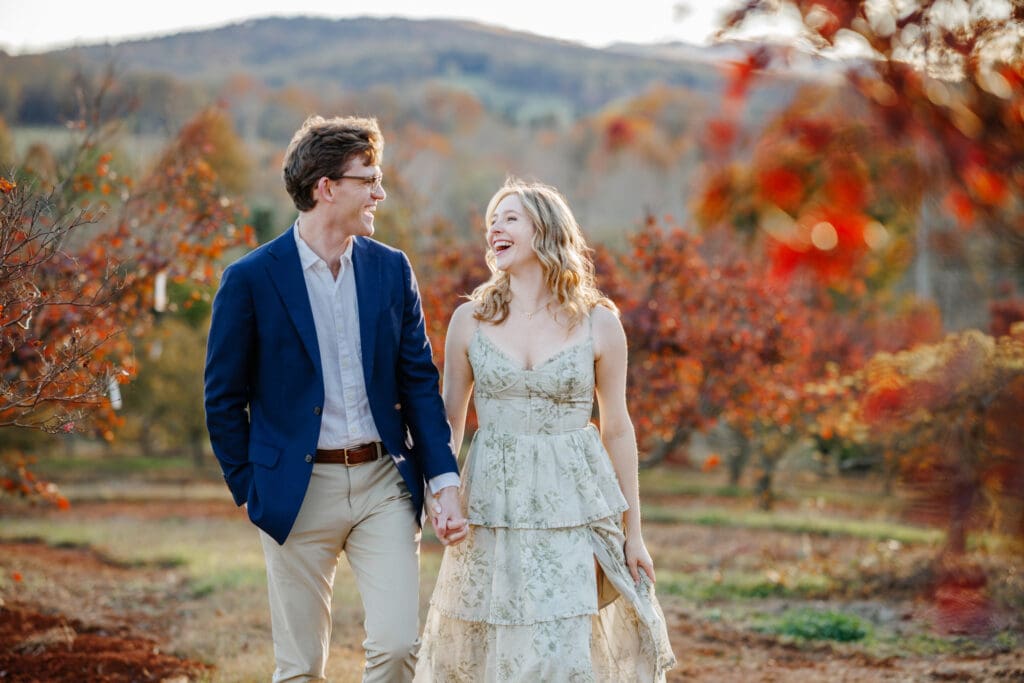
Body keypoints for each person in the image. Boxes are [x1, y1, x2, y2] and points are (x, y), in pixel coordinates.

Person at [204, 114, 467, 683]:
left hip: (383, 484)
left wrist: (443, 481)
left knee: (398, 647)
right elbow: (223, 399)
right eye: (368, 179)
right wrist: (252, 488)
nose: (381, 192)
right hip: (295, 493)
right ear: (327, 188)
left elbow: (419, 383)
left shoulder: (392, 270)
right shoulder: (250, 280)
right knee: (300, 668)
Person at [415, 177, 676, 681]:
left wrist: (635, 533)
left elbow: (617, 428)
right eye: (492, 219)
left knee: (560, 645)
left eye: (510, 217)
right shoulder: (470, 319)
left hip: (574, 503)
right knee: (492, 642)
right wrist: (441, 497)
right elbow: (449, 421)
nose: (495, 227)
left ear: (546, 231)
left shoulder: (599, 322)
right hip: (492, 502)